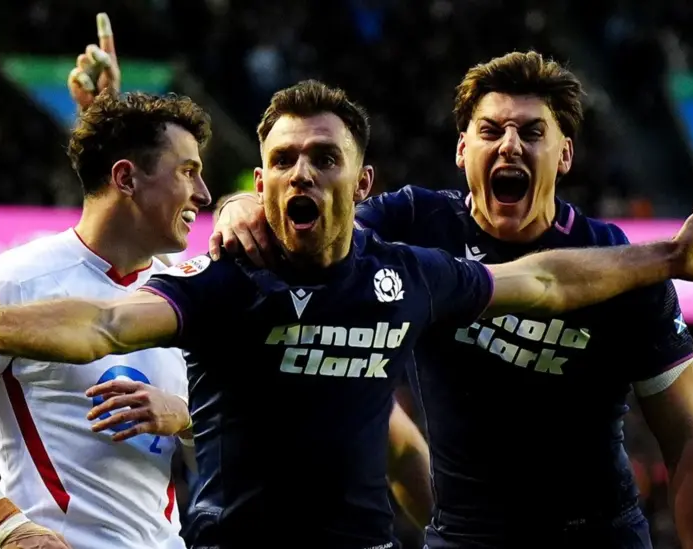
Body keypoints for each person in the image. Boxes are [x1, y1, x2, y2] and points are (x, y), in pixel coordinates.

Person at [0, 79, 693, 549]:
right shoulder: (230, 282)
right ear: (261, 183)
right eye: (283, 161)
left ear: (361, 183)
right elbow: (107, 323)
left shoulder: (407, 276)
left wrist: (669, 257)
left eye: (324, 158)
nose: (302, 174)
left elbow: (545, 283)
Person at [212, 52, 693, 548]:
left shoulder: (619, 263)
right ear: (462, 150)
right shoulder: (416, 223)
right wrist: (240, 205)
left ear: (565, 154)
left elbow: (687, 439)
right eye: (491, 130)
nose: (509, 144)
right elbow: (317, 223)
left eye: (531, 132)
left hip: (597, 534)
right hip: (463, 537)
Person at [64, 15, 437, 534]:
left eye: (201, 176)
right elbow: (104, 309)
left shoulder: (228, 268)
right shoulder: (204, 279)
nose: (201, 195)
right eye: (186, 173)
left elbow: (388, 442)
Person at [0, 17, 211, 549]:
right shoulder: (15, 279)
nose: (203, 194)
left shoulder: (186, 292)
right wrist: (8, 525)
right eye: (187, 171)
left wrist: (181, 417)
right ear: (125, 178)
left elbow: (233, 431)